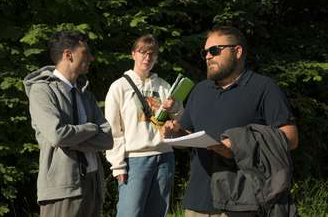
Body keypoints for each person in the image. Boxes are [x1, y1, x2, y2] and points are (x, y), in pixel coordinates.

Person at [162, 26, 299, 217]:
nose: (208, 56)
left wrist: (238, 143)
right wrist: (174, 132)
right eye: (205, 52)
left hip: (243, 203)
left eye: (215, 50)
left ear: (238, 51)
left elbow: (291, 139)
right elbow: (188, 135)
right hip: (197, 204)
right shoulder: (200, 90)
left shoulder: (264, 88)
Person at [24, 30, 113, 217]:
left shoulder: (86, 94)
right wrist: (92, 128)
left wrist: (72, 139)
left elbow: (107, 139)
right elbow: (57, 135)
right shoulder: (42, 91)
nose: (91, 57)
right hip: (62, 187)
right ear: (68, 55)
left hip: (92, 183)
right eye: (85, 52)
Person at [105, 34, 182, 217]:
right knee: (129, 213)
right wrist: (117, 166)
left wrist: (175, 110)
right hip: (135, 160)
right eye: (142, 52)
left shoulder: (164, 86)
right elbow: (113, 131)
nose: (147, 57)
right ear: (133, 54)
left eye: (152, 53)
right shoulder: (119, 87)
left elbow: (181, 121)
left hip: (164, 157)